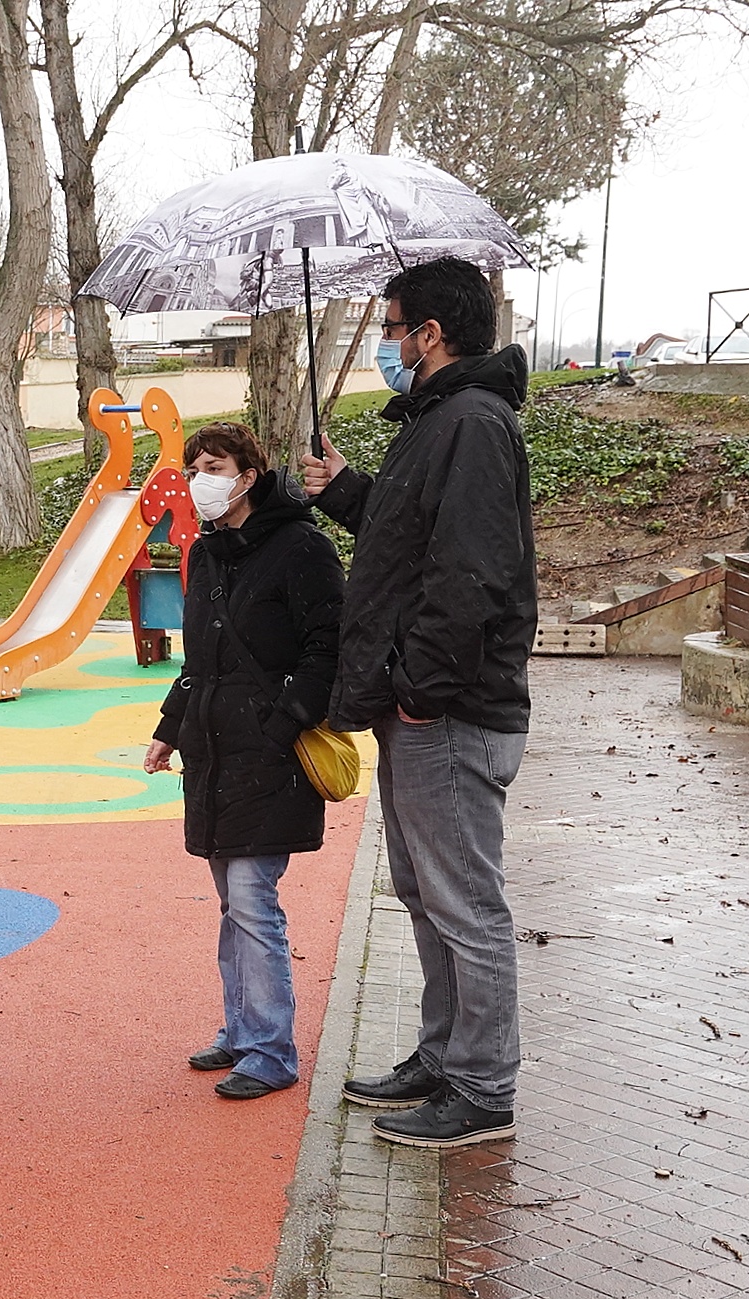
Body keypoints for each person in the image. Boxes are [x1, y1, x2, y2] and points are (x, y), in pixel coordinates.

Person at [299, 256, 537, 1149]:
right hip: (421, 706)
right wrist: (347, 488)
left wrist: (421, 693)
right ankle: (443, 1057)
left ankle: (482, 1086)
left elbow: (471, 573)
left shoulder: (473, 422)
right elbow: (410, 539)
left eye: (393, 328)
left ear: (430, 335)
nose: (388, 344)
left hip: (449, 710)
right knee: (426, 891)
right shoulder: (439, 419)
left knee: (464, 901)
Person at [141, 423, 342, 1102]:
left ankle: (271, 1049)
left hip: (269, 752)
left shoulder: (301, 547)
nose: (201, 479)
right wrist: (170, 729)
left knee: (254, 901)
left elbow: (328, 647)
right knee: (233, 901)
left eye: (215, 466)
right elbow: (200, 659)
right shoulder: (208, 551)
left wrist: (282, 723)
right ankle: (242, 1028)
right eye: (194, 467)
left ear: (248, 475)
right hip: (214, 749)